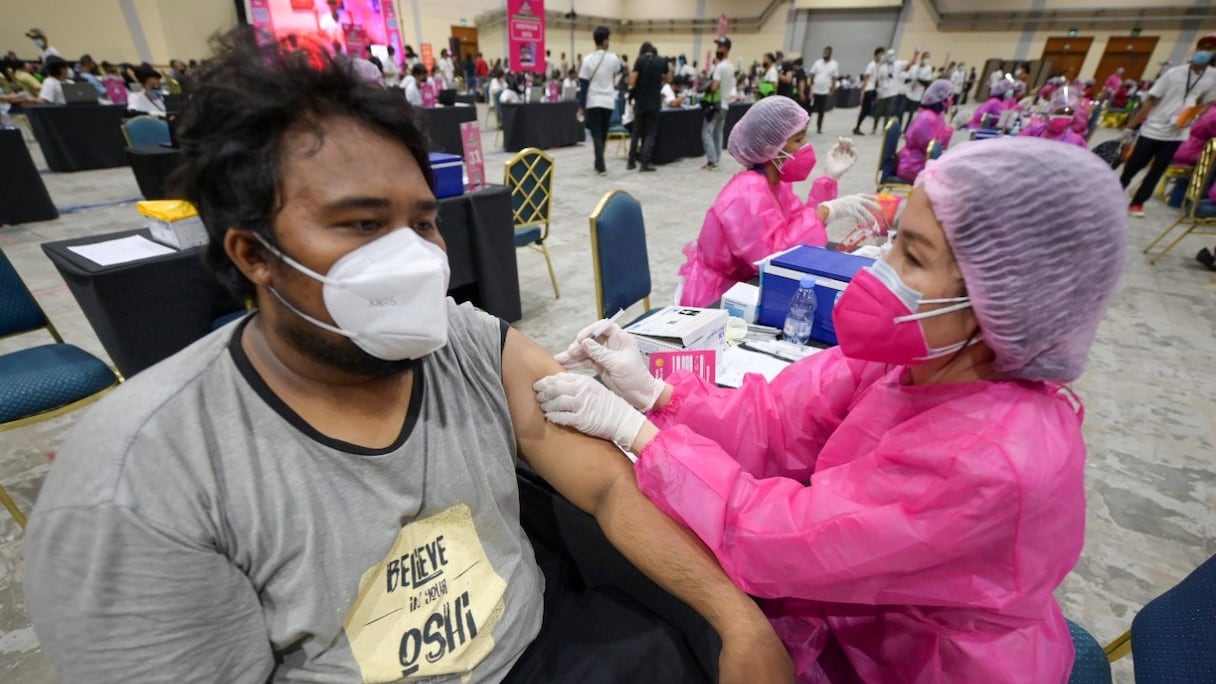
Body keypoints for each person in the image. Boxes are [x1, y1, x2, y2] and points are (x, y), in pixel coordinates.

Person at [23, 28, 795, 684]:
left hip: (541, 646)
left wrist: (738, 620)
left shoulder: (465, 343)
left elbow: (607, 489)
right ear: (253, 254)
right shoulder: (143, 482)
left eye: (421, 223)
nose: (413, 259)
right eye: (360, 225)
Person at [536, 136, 1129, 684]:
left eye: (913, 258)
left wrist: (639, 435)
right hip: (854, 614)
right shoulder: (909, 355)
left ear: (1001, 301)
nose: (880, 269)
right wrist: (655, 392)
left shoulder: (991, 458)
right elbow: (772, 421)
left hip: (922, 664)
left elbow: (777, 538)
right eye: (894, 241)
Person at [675, 96, 865, 307]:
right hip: (718, 298)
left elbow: (797, 230)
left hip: (746, 287)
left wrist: (829, 180)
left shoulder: (776, 183)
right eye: (798, 140)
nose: (806, 147)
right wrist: (824, 212)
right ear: (768, 149)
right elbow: (771, 257)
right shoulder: (747, 192)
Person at [1121, 35, 1216, 218]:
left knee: (1157, 170)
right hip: (1153, 128)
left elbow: (1207, 103)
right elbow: (1151, 99)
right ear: (1197, 48)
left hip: (1177, 133)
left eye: (1210, 47)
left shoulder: (1212, 77)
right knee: (1133, 165)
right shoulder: (1175, 73)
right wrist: (1132, 126)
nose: (1206, 50)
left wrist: (1193, 115)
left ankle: (1138, 203)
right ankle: (1115, 193)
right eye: (1203, 46)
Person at [578, 26, 622, 176]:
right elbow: (619, 70)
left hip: (593, 100)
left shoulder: (587, 60)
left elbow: (583, 86)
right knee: (603, 133)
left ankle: (600, 164)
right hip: (609, 101)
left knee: (596, 133)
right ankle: (599, 163)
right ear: (605, 40)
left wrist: (581, 106)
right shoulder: (613, 58)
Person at [896, 79, 954, 182]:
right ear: (941, 97)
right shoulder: (926, 118)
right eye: (949, 95)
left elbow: (940, 145)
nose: (951, 99)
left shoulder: (937, 116)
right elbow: (931, 148)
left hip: (923, 162)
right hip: (913, 166)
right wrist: (951, 127)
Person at [627, 41, 667, 172]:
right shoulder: (662, 61)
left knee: (636, 132)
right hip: (654, 102)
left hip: (640, 102)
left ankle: (631, 161)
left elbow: (632, 81)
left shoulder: (640, 60)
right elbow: (668, 78)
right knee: (650, 133)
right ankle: (645, 163)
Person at [701, 36, 736, 170]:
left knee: (707, 133)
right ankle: (716, 159)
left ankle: (711, 160)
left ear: (726, 49)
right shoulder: (731, 67)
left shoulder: (720, 67)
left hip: (715, 104)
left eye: (720, 47)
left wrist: (705, 87)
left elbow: (715, 86)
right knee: (718, 132)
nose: (718, 49)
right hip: (725, 104)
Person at [1019, 89, 1088, 148]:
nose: (1064, 116)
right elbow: (1017, 146)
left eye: (1068, 114)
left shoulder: (1075, 141)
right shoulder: (1036, 130)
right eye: (1060, 113)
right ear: (1050, 112)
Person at [808, 46, 838, 134]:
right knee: (810, 110)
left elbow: (834, 78)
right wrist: (810, 87)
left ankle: (819, 127)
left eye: (827, 53)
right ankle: (805, 127)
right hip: (814, 91)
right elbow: (811, 75)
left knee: (821, 111)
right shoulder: (817, 62)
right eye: (824, 52)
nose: (825, 54)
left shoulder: (834, 64)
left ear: (830, 54)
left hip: (824, 92)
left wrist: (832, 89)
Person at [854, 47, 884, 135]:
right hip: (868, 90)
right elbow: (866, 78)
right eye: (880, 54)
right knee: (865, 110)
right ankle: (857, 127)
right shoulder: (871, 65)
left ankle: (857, 127)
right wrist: (863, 92)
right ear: (876, 55)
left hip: (873, 89)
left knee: (867, 110)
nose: (882, 56)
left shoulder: (879, 66)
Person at [903, 49, 932, 128]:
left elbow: (927, 83)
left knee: (912, 113)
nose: (926, 59)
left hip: (917, 94)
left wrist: (918, 79)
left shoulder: (928, 69)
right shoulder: (915, 67)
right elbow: (906, 79)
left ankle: (906, 129)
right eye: (925, 57)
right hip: (908, 92)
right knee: (902, 111)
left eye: (928, 58)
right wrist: (910, 79)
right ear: (922, 58)